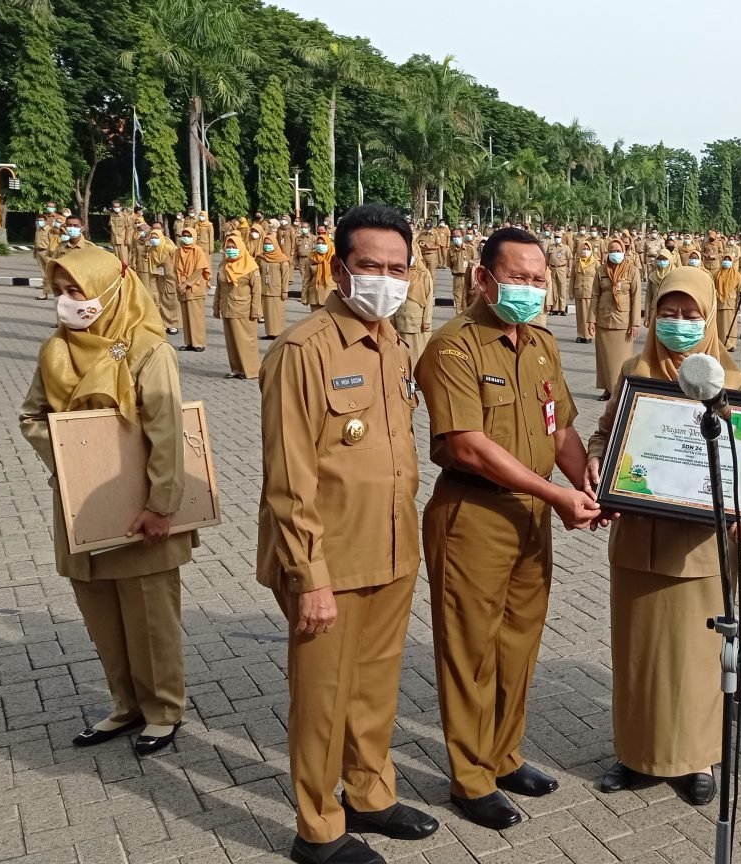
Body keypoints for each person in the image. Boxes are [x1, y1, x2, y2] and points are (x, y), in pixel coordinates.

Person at [258, 205, 438, 864]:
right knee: (321, 701)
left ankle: (370, 793)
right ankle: (319, 827)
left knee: (375, 687)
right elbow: (288, 478)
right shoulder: (303, 350)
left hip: (391, 550)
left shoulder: (393, 343)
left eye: (396, 268)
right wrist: (310, 578)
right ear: (340, 270)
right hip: (327, 562)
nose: (384, 280)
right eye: (370, 267)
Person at [415, 227, 601, 831]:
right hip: (474, 515)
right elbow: (467, 446)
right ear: (482, 278)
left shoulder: (541, 345)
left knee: (517, 645)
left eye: (537, 279)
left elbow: (562, 432)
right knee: (469, 652)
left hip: (531, 518)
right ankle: (470, 778)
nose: (528, 289)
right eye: (516, 277)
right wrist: (557, 493)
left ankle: (504, 755)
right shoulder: (453, 348)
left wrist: (591, 484)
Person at [18, 246, 188, 756]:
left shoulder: (148, 350)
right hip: (81, 503)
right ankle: (125, 704)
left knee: (148, 614)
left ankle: (163, 708)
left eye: (79, 291)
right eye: (62, 292)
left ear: (110, 290)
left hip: (139, 505)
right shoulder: (55, 350)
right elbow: (31, 416)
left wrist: (161, 506)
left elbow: (167, 433)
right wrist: (76, 450)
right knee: (101, 613)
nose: (69, 302)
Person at [586, 268, 741, 806]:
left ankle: (696, 759)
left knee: (696, 659)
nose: (678, 324)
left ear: (710, 318)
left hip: (699, 551)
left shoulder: (731, 382)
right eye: (668, 314)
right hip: (637, 542)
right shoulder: (634, 371)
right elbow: (607, 430)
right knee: (639, 655)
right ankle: (635, 754)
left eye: (691, 314)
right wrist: (595, 460)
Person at [593, 239, 642, 400]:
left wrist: (635, 323)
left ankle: (621, 390)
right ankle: (608, 389)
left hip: (623, 322)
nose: (615, 254)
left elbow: (636, 298)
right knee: (605, 359)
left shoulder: (632, 271)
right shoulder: (601, 270)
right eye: (612, 251)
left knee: (622, 361)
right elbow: (595, 296)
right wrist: (590, 320)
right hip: (603, 320)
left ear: (624, 251)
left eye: (618, 250)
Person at [217, 234, 262, 380]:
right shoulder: (223, 264)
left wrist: (256, 310)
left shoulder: (250, 266)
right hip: (227, 307)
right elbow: (219, 287)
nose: (230, 250)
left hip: (244, 308)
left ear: (241, 248)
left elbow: (256, 291)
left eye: (233, 247)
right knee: (231, 341)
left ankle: (250, 370)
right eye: (228, 247)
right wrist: (215, 306)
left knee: (246, 341)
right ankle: (236, 368)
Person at [395, 236, 434, 365]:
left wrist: (426, 321)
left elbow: (428, 299)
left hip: (417, 322)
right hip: (400, 319)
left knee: (417, 353)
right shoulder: (399, 272)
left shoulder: (424, 274)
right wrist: (391, 318)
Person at [173, 226, 210, 352]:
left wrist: (187, 284)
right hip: (182, 288)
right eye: (184, 235)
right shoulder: (178, 251)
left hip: (194, 287)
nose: (186, 238)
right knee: (186, 316)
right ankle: (189, 342)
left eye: (189, 235)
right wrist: (179, 283)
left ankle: (198, 343)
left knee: (196, 316)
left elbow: (199, 269)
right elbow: (175, 269)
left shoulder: (197, 250)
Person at [259, 231, 291, 339]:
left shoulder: (282, 259)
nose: (267, 246)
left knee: (277, 312)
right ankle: (270, 333)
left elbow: (285, 277)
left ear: (275, 244)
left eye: (269, 244)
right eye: (265, 244)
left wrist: (284, 290)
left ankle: (278, 333)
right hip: (265, 289)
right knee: (267, 313)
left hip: (277, 290)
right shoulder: (261, 258)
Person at [572, 239, 598, 344]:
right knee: (579, 315)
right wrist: (571, 292)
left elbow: (598, 278)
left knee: (588, 315)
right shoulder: (576, 262)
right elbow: (573, 278)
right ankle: (580, 334)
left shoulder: (595, 262)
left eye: (587, 249)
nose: (585, 251)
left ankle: (588, 335)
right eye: (584, 249)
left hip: (590, 292)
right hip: (579, 291)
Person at [715, 253, 741, 352]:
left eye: (728, 260)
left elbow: (740, 291)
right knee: (720, 325)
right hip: (719, 302)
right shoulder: (717, 274)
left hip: (731, 303)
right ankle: (720, 344)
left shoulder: (737, 275)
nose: (726, 262)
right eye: (725, 259)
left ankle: (731, 344)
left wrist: (739, 304)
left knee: (731, 324)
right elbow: (713, 287)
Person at [303, 230, 336, 311]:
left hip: (330, 296)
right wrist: (304, 296)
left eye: (323, 243)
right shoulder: (311, 258)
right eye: (318, 243)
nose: (320, 245)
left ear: (328, 244)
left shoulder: (335, 259)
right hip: (314, 296)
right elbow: (307, 279)